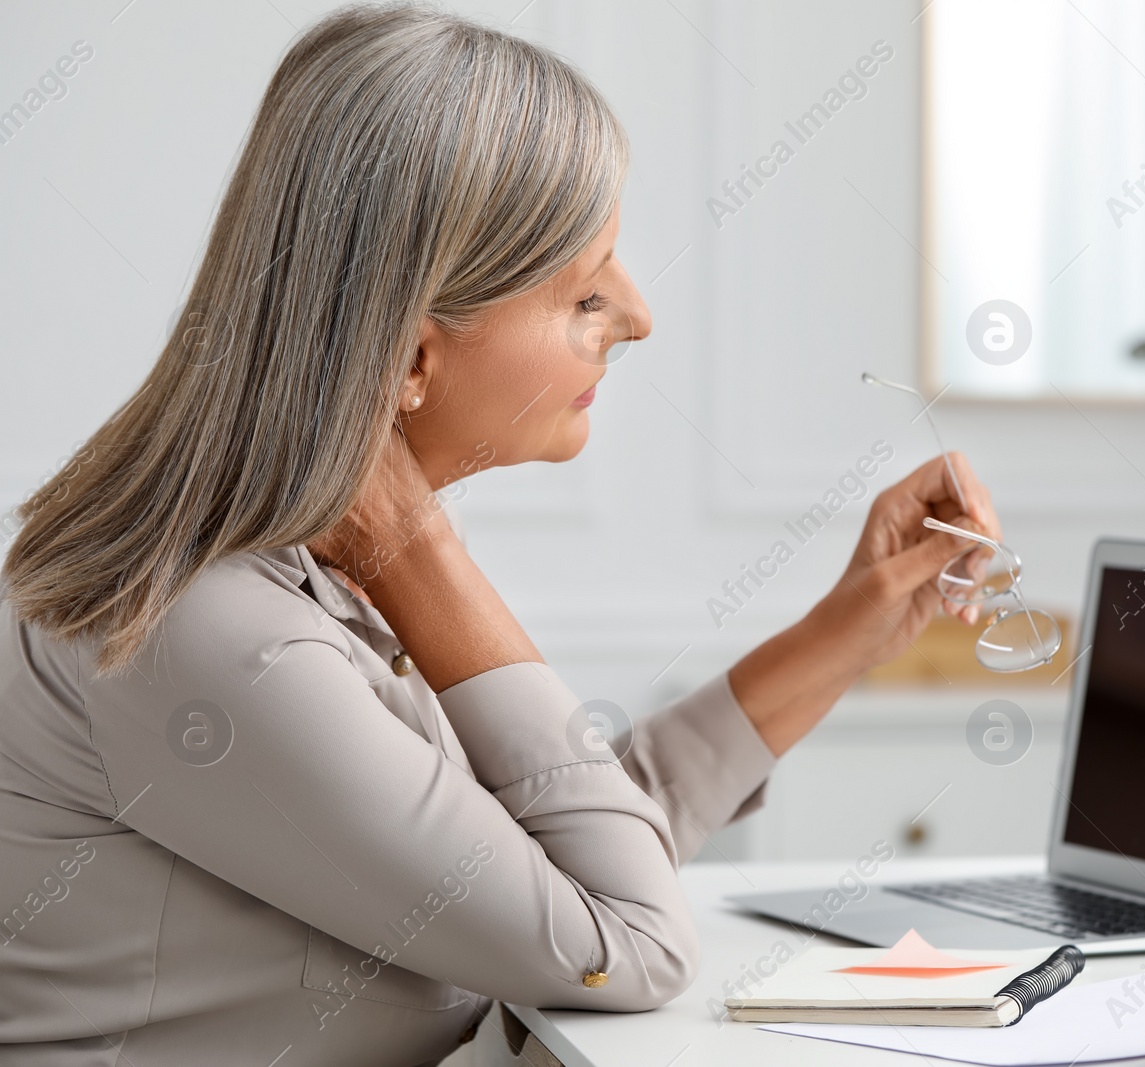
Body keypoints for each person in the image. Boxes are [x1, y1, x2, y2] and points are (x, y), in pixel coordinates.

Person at [0, 5, 999, 1064]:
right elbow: (628, 935)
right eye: (583, 288)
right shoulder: (211, 635)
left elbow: (554, 843)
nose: (638, 314)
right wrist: (426, 554)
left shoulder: (282, 574)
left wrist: (854, 625)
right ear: (414, 357)